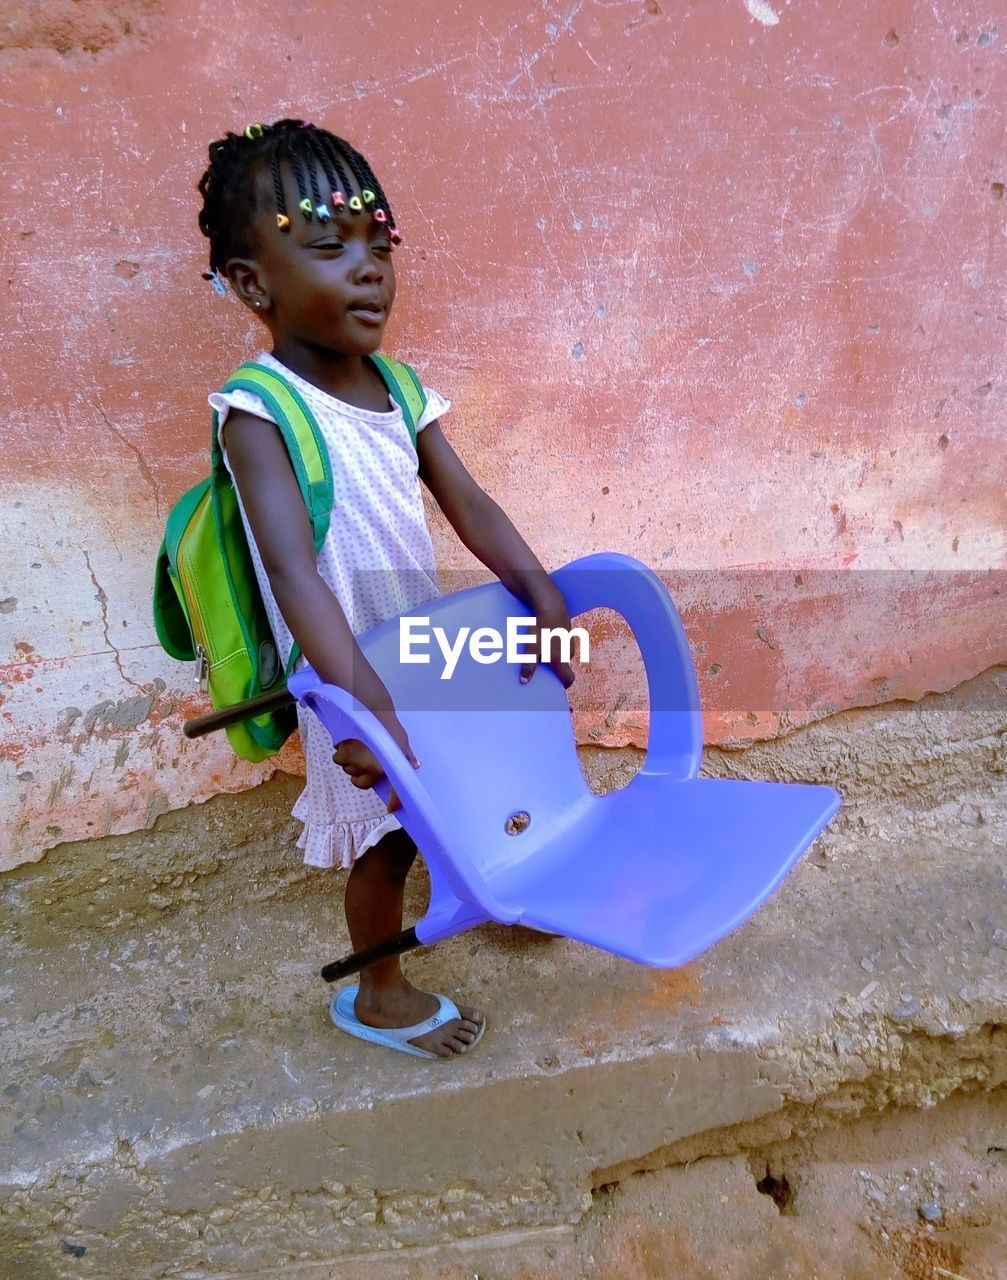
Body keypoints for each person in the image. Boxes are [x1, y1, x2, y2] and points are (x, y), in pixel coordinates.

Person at [196, 118, 575, 1059]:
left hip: (421, 646)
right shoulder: (261, 412)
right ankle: (377, 989)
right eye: (329, 248)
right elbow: (289, 571)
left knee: (472, 789)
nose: (368, 269)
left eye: (379, 245)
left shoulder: (400, 390)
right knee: (387, 840)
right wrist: (363, 712)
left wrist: (540, 590)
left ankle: (497, 895)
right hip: (347, 672)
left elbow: (469, 502)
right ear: (252, 285)